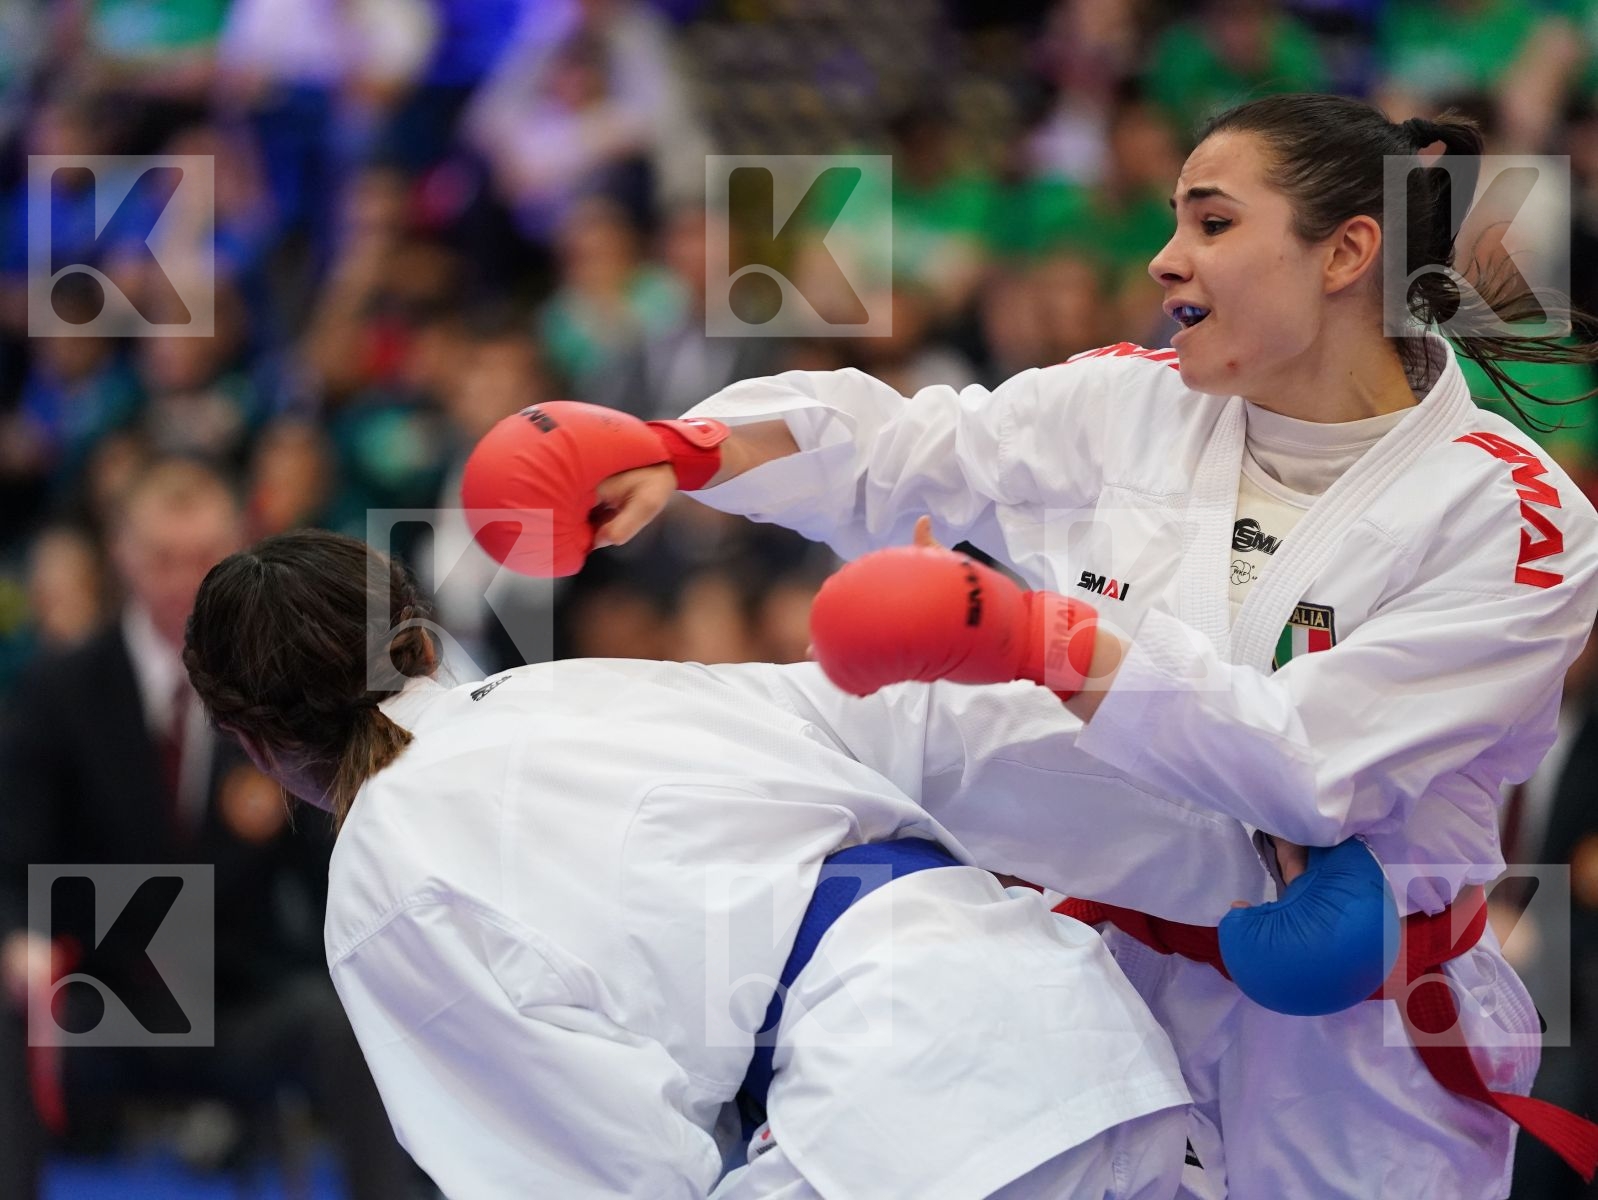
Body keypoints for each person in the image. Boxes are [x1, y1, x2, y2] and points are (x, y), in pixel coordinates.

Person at [468, 93, 1598, 1197]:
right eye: (1169, 221)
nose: (1162, 258)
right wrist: (690, 447)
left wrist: (1040, 639)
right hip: (1078, 999)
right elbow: (904, 446)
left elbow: (1307, 768)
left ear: (1345, 251)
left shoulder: (1511, 517)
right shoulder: (1125, 405)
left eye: (1210, 223)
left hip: (1346, 1053)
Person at [181, 528, 1196, 1200]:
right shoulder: (589, 685)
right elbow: (935, 731)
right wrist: (1221, 821)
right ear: (412, 637)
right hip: (1094, 1043)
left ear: (249, 740)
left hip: (907, 1127)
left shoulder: (384, 878)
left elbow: (602, 1169)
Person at [0, 460, 413, 1198]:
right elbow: (16, 848)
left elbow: (331, 851)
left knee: (350, 1014)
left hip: (239, 997)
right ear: (123, 555)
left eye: (202, 560)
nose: (182, 580)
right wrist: (21, 940)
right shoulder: (60, 687)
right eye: (163, 558)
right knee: (7, 1003)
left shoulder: (280, 684)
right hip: (103, 994)